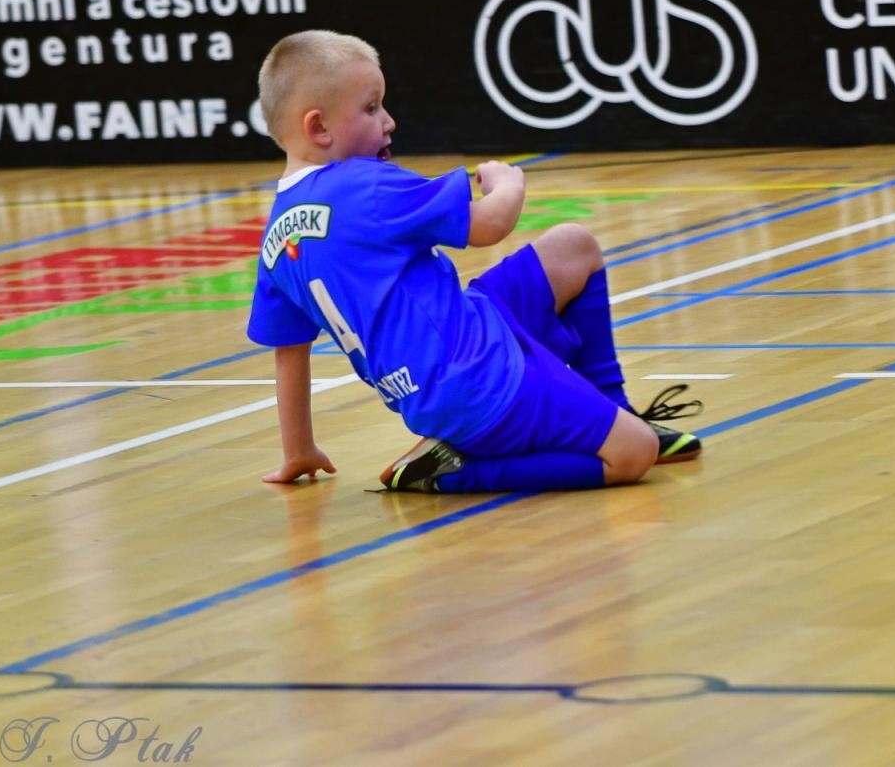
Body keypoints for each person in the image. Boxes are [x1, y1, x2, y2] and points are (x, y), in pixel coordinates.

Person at [245, 30, 702, 494]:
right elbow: (489, 225)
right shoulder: (364, 185)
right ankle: (457, 472)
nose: (389, 120)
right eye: (371, 108)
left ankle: (613, 407)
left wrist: (298, 449)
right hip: (482, 382)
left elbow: (290, 351)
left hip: (466, 346)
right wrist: (508, 182)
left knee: (573, 246)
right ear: (318, 128)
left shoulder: (274, 243)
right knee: (633, 454)